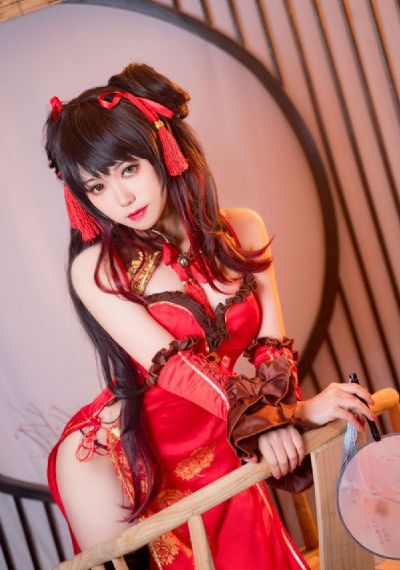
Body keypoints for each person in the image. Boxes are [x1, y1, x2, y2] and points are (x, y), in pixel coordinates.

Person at [45, 62, 376, 569]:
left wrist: (280, 414)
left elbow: (271, 350)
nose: (121, 198)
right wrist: (286, 417)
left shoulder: (242, 228)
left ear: (163, 149)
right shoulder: (97, 268)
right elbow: (178, 369)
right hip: (121, 460)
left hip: (221, 437)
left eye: (128, 169)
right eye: (96, 187)